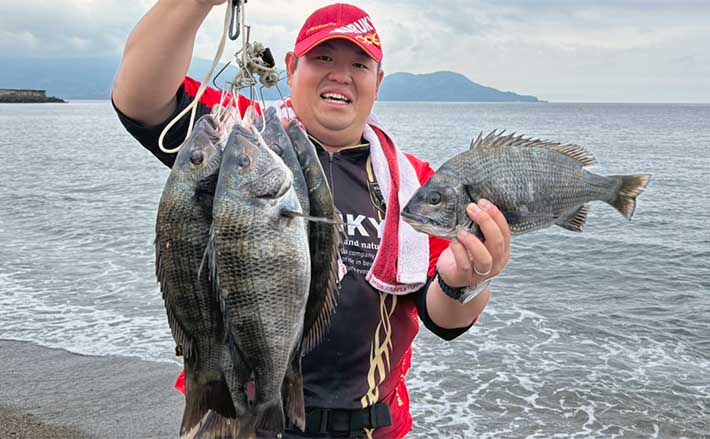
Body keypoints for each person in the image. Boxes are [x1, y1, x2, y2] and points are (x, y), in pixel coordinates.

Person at [112, 1, 512, 438]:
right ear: (290, 68)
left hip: (367, 429)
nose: (341, 74)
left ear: (378, 83)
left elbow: (445, 319)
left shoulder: (415, 186)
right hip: (233, 420)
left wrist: (465, 280)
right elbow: (140, 98)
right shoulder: (239, 141)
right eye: (323, 57)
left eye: (359, 64)